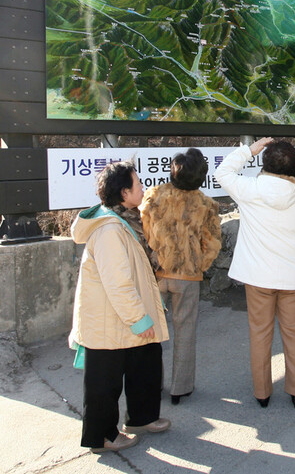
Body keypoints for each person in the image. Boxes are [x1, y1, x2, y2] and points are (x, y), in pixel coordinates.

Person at [214, 138, 295, 410]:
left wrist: (248, 150)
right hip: (292, 277)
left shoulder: (250, 189)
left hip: (258, 277)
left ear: (264, 162)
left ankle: (262, 393)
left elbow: (222, 173)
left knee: (260, 333)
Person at [69, 161, 171, 454]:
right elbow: (118, 284)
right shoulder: (110, 230)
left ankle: (142, 418)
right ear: (124, 192)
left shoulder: (127, 219)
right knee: (105, 384)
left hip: (128, 313)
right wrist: (139, 319)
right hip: (111, 318)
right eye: (138, 184)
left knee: (146, 364)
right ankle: (102, 437)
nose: (143, 188)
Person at [140, 148, 222, 406]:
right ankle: (180, 388)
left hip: (155, 273)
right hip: (188, 276)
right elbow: (213, 243)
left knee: (151, 334)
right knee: (185, 331)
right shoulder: (206, 204)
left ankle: (150, 385)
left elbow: (143, 230)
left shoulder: (154, 196)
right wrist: (199, 265)